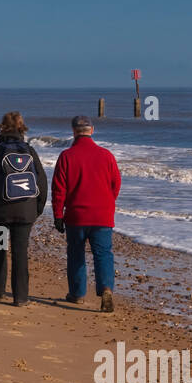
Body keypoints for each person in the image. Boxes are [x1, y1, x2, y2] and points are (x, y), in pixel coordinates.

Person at [0, 111, 47, 306]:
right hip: (25, 213)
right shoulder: (30, 151)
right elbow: (42, 183)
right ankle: (21, 298)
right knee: (20, 253)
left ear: (2, 127)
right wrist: (36, 210)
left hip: (0, 214)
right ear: (22, 128)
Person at [51, 115, 122, 311]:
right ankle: (106, 289)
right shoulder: (107, 155)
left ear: (73, 131)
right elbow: (116, 184)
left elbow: (59, 190)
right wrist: (108, 202)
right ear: (92, 130)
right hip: (102, 215)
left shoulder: (66, 156)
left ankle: (77, 294)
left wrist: (58, 215)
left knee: (76, 254)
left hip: (76, 216)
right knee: (103, 254)